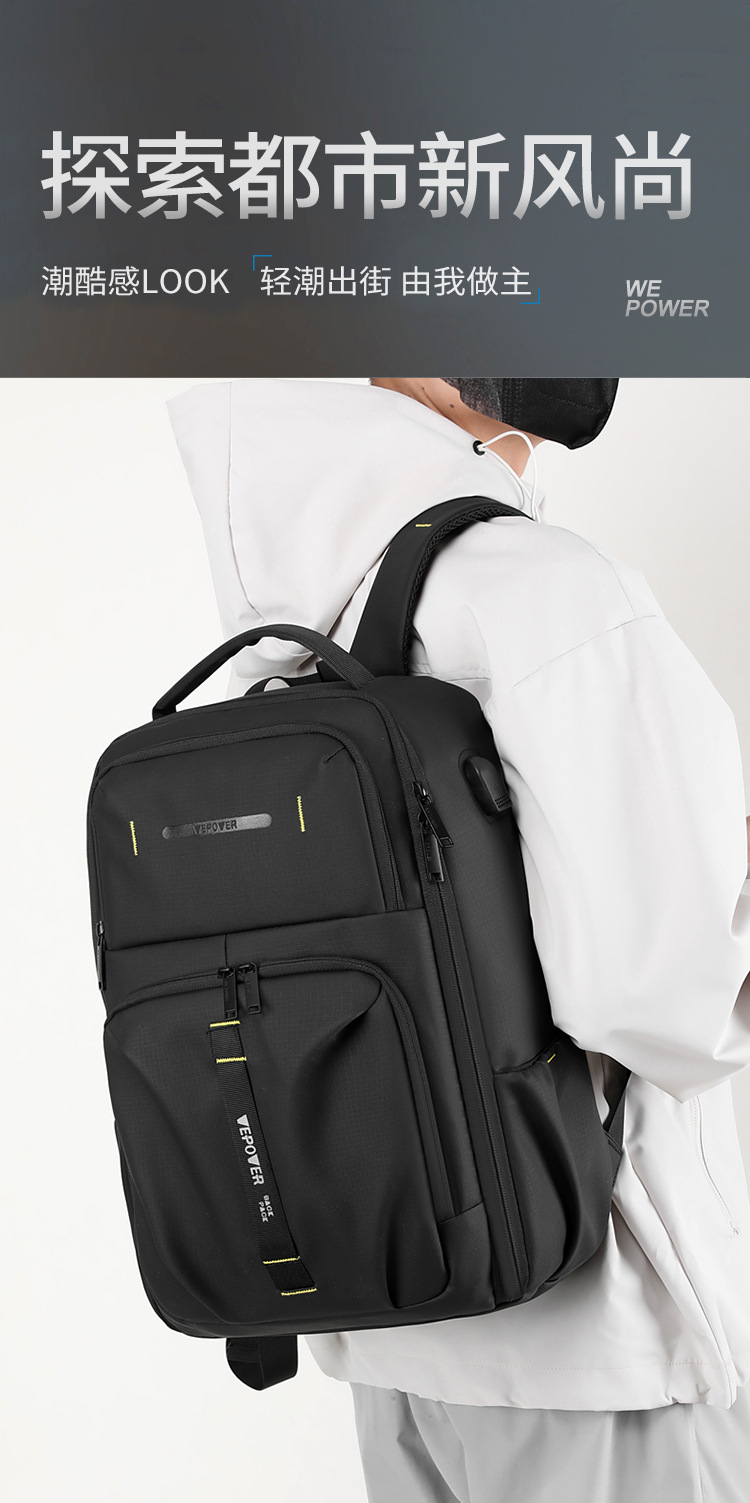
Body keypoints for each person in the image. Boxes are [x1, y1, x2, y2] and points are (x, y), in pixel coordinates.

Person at [168, 376, 750, 1503]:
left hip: (400, 1316)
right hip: (600, 1339)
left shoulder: (291, 607)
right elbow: (661, 995)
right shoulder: (549, 592)